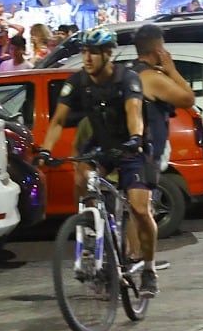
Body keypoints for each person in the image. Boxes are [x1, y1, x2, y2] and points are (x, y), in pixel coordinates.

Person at [38, 29, 162, 295]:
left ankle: (149, 269)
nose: (87, 57)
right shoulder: (78, 82)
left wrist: (136, 137)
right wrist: (45, 150)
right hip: (102, 146)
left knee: (140, 209)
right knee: (81, 171)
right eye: (83, 52)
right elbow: (58, 121)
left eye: (93, 52)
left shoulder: (127, 79)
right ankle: (91, 228)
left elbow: (134, 112)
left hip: (132, 147)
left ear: (108, 54)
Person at [132, 25, 196, 180]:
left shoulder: (132, 72)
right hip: (147, 156)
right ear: (157, 50)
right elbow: (189, 99)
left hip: (135, 154)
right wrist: (172, 70)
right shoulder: (152, 77)